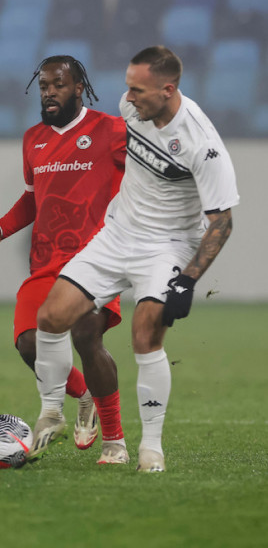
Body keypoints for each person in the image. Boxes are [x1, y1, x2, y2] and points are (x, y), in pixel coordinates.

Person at [32, 46, 239, 472]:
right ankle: (51, 412)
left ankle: (151, 449)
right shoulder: (133, 109)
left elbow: (222, 222)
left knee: (145, 335)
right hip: (117, 234)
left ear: (168, 90)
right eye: (128, 87)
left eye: (138, 90)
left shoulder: (203, 144)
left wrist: (188, 280)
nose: (127, 97)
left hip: (167, 247)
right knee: (51, 317)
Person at [0, 55, 128, 464]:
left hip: (97, 258)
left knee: (86, 335)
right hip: (46, 262)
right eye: (44, 86)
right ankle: (84, 396)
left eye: (58, 84)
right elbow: (32, 198)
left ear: (78, 88)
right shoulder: (34, 139)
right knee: (29, 344)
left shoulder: (111, 130)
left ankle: (114, 442)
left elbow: (149, 173)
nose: (49, 92)